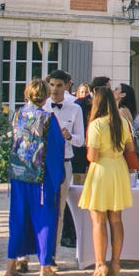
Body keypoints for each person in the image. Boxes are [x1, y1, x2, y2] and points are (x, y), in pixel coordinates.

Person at [5, 78, 66, 276]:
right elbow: (57, 150)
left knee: (18, 219)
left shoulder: (17, 115)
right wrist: (58, 177)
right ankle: (45, 268)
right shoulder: (48, 118)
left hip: (19, 174)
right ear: (46, 96)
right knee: (45, 220)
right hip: (41, 177)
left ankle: (11, 265)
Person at [78, 84, 132, 276]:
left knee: (99, 220)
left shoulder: (96, 125)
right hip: (118, 168)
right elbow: (130, 148)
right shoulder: (123, 122)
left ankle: (100, 264)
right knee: (116, 219)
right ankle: (116, 262)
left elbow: (92, 156)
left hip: (101, 169)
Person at [43, 71, 84, 249]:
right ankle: (28, 254)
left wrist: (70, 137)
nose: (55, 89)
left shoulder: (75, 108)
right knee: (39, 207)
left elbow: (81, 140)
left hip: (64, 162)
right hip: (42, 163)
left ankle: (51, 253)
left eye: (59, 85)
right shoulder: (42, 106)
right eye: (52, 85)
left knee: (59, 210)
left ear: (67, 86)